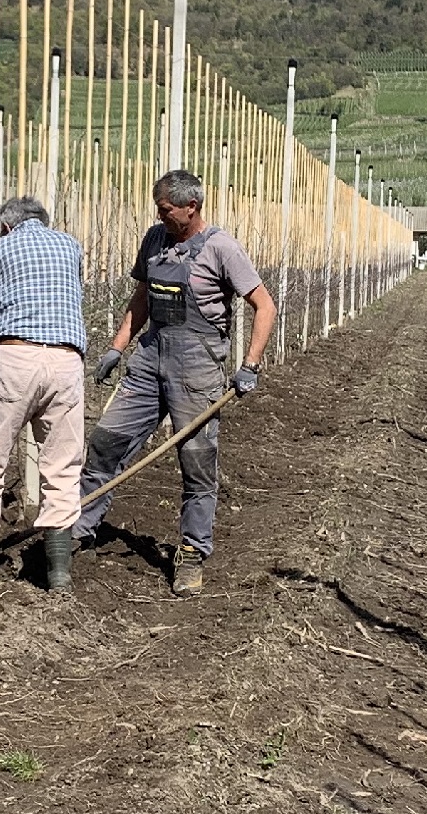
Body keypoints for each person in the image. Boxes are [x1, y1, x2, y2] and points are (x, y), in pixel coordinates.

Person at [73, 169, 276, 596]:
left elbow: (264, 305)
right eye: (158, 209)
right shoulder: (154, 239)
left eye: (166, 210)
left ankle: (191, 551)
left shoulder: (222, 247)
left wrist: (250, 365)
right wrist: (117, 346)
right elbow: (143, 296)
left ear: (192, 207)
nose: (160, 216)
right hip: (149, 359)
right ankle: (80, 526)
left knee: (197, 464)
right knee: (106, 443)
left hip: (198, 367)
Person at [0, 196, 85, 590]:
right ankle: (59, 573)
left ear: (6, 227)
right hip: (66, 362)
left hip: (14, 357)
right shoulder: (70, 246)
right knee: (62, 465)